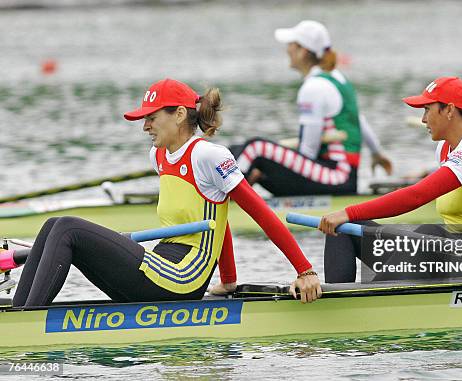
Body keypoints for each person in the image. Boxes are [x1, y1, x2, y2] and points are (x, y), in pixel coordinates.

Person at [11, 78, 322, 307]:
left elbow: (262, 215)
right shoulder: (158, 157)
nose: (145, 125)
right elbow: (218, 218)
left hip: (183, 277)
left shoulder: (209, 155)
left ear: (179, 115)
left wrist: (305, 271)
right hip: (159, 264)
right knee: (53, 225)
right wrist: (228, 281)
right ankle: (19, 312)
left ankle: (31, 320)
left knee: (67, 227)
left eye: (152, 116)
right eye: (144, 118)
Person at [318, 77, 462, 283]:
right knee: (344, 227)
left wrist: (347, 210)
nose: (423, 120)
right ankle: (339, 306)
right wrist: (348, 215)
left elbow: (416, 196)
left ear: (449, 110)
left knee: (428, 233)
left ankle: (374, 301)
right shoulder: (444, 147)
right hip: (450, 255)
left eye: (427, 110)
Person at [232, 20, 392, 196]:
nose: (287, 49)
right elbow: (359, 121)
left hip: (336, 175)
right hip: (343, 176)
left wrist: (279, 169)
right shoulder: (337, 78)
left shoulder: (313, 87)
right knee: (235, 151)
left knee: (255, 148)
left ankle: (226, 200)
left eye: (291, 45)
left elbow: (309, 151)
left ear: (303, 51)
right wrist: (377, 153)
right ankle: (239, 192)